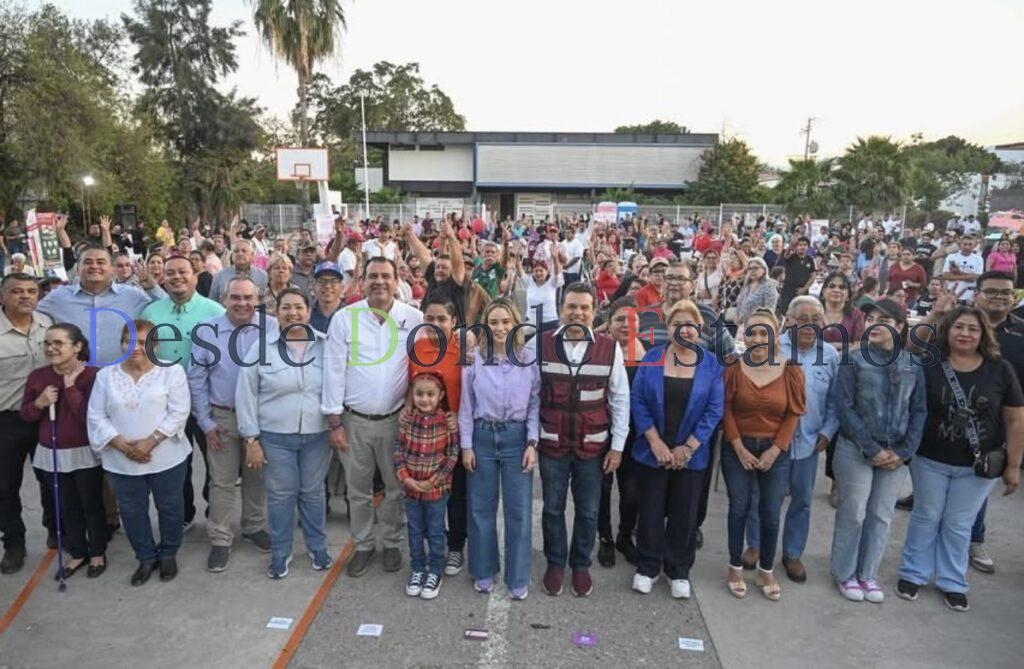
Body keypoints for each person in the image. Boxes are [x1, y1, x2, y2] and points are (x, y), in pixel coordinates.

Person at [896, 307, 1023, 612]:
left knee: (958, 523)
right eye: (959, 327)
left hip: (978, 465)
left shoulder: (1000, 369)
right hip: (929, 457)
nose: (965, 334)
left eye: (972, 329)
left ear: (983, 335)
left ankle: (953, 581)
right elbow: (908, 350)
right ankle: (913, 573)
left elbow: (1015, 419)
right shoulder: (929, 363)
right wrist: (934, 315)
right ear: (947, 331)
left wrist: (1013, 465)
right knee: (926, 515)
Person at [323, 257, 423, 577]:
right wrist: (334, 422)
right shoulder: (343, 319)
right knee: (358, 488)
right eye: (373, 276)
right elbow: (334, 371)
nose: (380, 282)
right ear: (362, 281)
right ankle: (363, 544)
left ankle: (391, 541)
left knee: (395, 487)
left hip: (396, 420)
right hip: (353, 422)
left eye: (386, 276)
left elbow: (423, 369)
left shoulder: (414, 318)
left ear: (398, 281)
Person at [831, 298, 926, 603]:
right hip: (856, 448)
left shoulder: (914, 364)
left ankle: (867, 573)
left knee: (881, 515)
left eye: (882, 320)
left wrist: (904, 451)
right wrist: (871, 448)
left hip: (896, 454)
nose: (873, 324)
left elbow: (919, 410)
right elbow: (844, 407)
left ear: (899, 327)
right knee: (854, 512)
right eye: (869, 319)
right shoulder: (853, 359)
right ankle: (844, 573)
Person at [538, 283, 629, 598]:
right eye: (571, 307)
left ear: (594, 312)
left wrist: (617, 447)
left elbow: (620, 399)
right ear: (561, 309)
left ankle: (580, 564)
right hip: (552, 444)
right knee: (552, 508)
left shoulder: (609, 347)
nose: (577, 313)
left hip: (593, 446)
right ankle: (554, 562)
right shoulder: (541, 344)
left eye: (584, 308)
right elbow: (531, 396)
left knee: (588, 511)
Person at [629, 299, 724, 598]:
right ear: (667, 328)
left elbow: (714, 410)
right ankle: (647, 566)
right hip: (653, 450)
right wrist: (655, 442)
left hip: (691, 456)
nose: (684, 330)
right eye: (676, 324)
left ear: (699, 329)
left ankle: (678, 570)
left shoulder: (711, 364)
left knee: (685, 513)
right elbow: (638, 400)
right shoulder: (653, 358)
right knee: (651, 511)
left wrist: (688, 448)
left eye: (690, 325)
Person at [236, 289, 332, 578]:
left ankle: (317, 547)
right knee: (280, 495)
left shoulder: (326, 345)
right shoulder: (261, 347)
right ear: (276, 312)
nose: (293, 313)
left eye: (299, 307)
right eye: (286, 308)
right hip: (275, 436)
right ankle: (281, 552)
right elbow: (246, 394)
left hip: (317, 435)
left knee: (313, 494)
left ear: (308, 310)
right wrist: (251, 439)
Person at [87, 320, 191, 586]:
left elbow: (179, 411)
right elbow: (96, 416)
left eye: (143, 342)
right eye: (128, 342)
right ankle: (145, 557)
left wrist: (150, 442)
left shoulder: (172, 371)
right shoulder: (106, 376)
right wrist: (122, 445)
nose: (135, 348)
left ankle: (168, 553)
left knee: (169, 507)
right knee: (132, 511)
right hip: (122, 460)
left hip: (166, 456)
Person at [743, 297, 839, 582]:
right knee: (761, 496)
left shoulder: (830, 354)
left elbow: (835, 401)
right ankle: (756, 544)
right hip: (770, 439)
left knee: (802, 500)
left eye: (815, 319)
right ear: (789, 320)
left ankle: (792, 552)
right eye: (802, 318)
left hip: (809, 442)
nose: (809, 325)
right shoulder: (772, 347)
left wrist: (827, 432)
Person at [187, 276, 273, 572]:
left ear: (258, 299)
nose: (242, 303)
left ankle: (253, 526)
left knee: (256, 476)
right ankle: (220, 539)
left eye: (248, 298)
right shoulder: (206, 331)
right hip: (221, 416)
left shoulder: (271, 327)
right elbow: (196, 380)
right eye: (235, 297)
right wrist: (205, 422)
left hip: (260, 416)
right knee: (222, 481)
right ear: (224, 299)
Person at [722, 308, 806, 601]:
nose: (758, 338)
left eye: (764, 332)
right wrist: (738, 446)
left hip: (775, 450)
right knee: (739, 507)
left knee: (770, 513)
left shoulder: (791, 368)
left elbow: (794, 412)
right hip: (738, 448)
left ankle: (766, 569)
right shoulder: (733, 366)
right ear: (744, 335)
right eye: (752, 332)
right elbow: (726, 409)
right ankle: (735, 566)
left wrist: (775, 450)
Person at [458, 299, 540, 599]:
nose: (500, 327)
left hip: (516, 437)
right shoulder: (473, 359)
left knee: (518, 510)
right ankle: (483, 569)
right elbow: (466, 407)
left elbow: (534, 403)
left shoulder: (528, 358)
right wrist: (466, 446)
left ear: (515, 323)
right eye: (494, 322)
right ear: (485, 325)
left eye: (506, 321)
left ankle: (517, 576)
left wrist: (533, 442)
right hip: (482, 435)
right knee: (481, 508)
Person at [20, 324, 107, 578]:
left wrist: (70, 389)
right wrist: (40, 402)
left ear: (77, 346)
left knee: (91, 504)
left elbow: (89, 417)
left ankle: (98, 552)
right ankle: (78, 552)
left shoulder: (93, 376)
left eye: (58, 343)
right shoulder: (38, 377)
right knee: (66, 506)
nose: (51, 348)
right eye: (47, 343)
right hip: (52, 454)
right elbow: (26, 415)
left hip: (84, 452)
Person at [408, 296, 466, 577]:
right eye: (429, 318)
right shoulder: (416, 348)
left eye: (442, 319)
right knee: (427, 494)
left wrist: (460, 413)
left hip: (454, 435)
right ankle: (433, 544)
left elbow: (473, 389)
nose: (435, 324)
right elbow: (410, 387)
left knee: (456, 495)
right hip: (423, 437)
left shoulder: (464, 350)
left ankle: (455, 546)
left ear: (454, 322)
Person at [0, 274, 54, 574]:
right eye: (16, 291)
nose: (25, 296)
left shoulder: (46, 323)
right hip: (6, 421)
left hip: (45, 416)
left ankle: (55, 531)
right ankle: (14, 544)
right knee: (6, 487)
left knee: (50, 479)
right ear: (3, 296)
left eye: (31, 291)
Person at [37, 243, 165, 365]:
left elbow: (168, 310)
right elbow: (29, 315)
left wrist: (152, 288)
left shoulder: (133, 296)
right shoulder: (58, 298)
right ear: (77, 269)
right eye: (87, 262)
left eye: (100, 262)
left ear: (111, 269)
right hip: (75, 380)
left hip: (120, 380)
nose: (94, 266)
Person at [393, 371, 459, 600]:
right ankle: (418, 568)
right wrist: (406, 478)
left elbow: (452, 455)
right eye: (419, 394)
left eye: (430, 394)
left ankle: (434, 570)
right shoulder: (408, 421)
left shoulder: (447, 423)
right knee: (414, 530)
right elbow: (399, 451)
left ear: (440, 395)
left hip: (436, 491)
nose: (425, 399)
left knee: (436, 531)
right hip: (411, 490)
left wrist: (433, 481)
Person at [597, 297, 645, 567]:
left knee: (632, 491)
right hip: (603, 432)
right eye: (619, 320)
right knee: (603, 489)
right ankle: (604, 537)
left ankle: (625, 536)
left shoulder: (649, 354)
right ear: (609, 324)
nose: (626, 325)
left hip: (637, 435)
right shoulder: (599, 351)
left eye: (632, 320)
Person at [208, 239, 269, 304]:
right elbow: (212, 302)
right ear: (232, 255)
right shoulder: (220, 276)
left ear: (252, 255)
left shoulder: (262, 275)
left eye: (244, 251)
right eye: (236, 251)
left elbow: (263, 302)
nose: (240, 254)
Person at [735, 257, 778, 328]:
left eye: (756, 268)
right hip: (742, 326)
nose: (752, 271)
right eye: (750, 268)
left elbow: (769, 311)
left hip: (758, 326)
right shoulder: (746, 286)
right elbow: (739, 304)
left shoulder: (769, 286)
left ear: (764, 269)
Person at [778, 237, 817, 313]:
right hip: (788, 291)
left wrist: (804, 289)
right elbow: (786, 255)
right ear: (796, 247)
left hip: (803, 292)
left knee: (801, 313)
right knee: (786, 313)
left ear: (808, 247)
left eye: (805, 245)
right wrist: (791, 244)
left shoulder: (810, 259)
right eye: (800, 245)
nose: (802, 247)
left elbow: (813, 276)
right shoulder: (791, 257)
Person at [940, 235, 983, 302]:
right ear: (960, 245)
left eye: (970, 244)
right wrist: (969, 276)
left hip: (970, 295)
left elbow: (976, 277)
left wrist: (958, 272)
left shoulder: (978, 259)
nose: (967, 247)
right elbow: (946, 276)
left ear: (974, 246)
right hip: (952, 293)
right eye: (965, 244)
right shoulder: (951, 257)